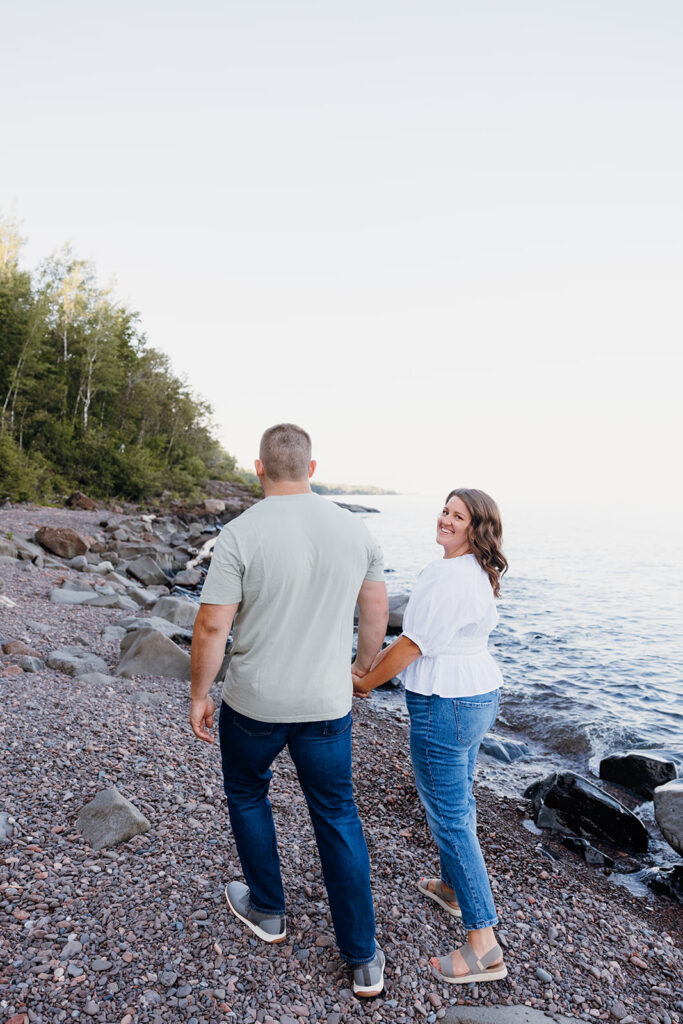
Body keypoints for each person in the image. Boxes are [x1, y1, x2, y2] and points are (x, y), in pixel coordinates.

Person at [189, 423, 389, 997]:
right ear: (312, 468)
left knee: (249, 793)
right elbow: (374, 610)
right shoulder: (354, 531)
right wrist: (362, 670)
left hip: (255, 700)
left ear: (259, 468)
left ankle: (269, 910)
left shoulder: (240, 533)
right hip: (326, 703)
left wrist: (200, 694)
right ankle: (363, 958)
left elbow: (211, 625)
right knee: (336, 814)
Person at [351, 488, 509, 986]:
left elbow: (414, 644)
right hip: (477, 695)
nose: (445, 518)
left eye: (457, 515)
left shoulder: (448, 576)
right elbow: (420, 639)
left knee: (449, 815)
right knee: (457, 802)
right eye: (444, 509)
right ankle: (453, 888)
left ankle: (484, 945)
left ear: (475, 528)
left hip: (448, 703)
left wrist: (363, 682)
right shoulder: (475, 572)